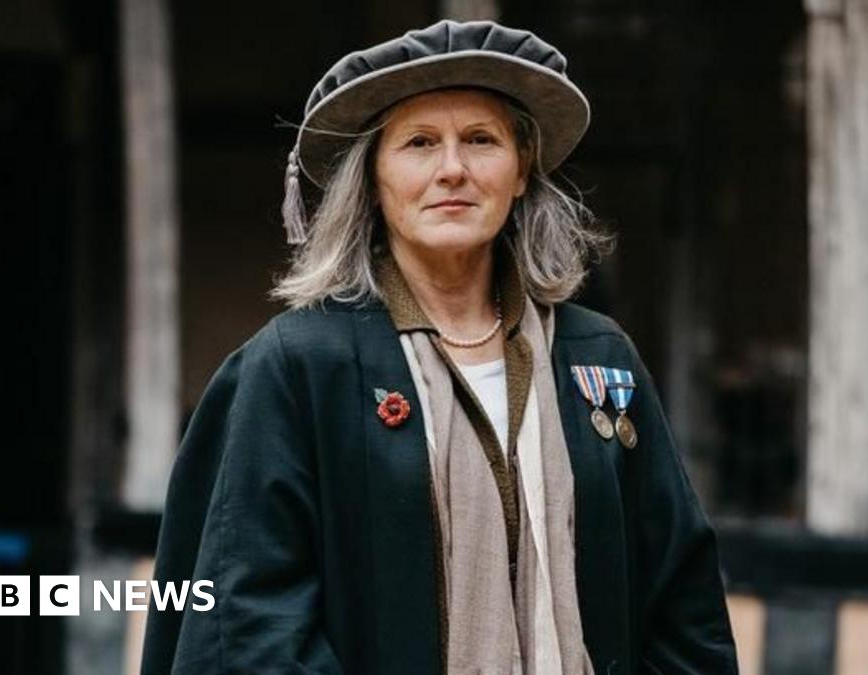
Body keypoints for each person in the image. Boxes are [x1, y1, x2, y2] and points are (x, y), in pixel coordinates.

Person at [140, 19, 737, 675]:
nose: (452, 169)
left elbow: (684, 605)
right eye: (419, 143)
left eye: (481, 140)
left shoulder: (598, 359)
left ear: (520, 171)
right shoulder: (297, 367)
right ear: (372, 179)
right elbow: (249, 624)